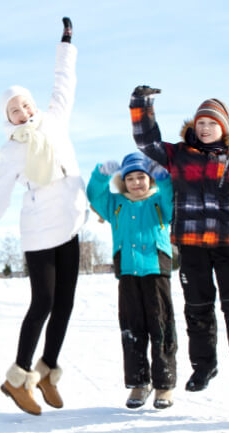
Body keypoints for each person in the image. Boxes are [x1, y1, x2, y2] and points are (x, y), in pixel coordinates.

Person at [0, 17, 87, 416]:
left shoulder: (55, 119)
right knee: (43, 303)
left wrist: (66, 43)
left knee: (65, 303)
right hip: (39, 232)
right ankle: (18, 379)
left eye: (25, 103)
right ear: (7, 118)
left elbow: (65, 82)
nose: (23, 110)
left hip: (71, 222)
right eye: (14, 109)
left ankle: (47, 373)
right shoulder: (11, 150)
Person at [130, 86, 229, 398]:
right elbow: (147, 141)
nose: (205, 128)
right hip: (191, 245)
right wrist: (141, 105)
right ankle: (203, 366)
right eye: (200, 123)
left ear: (223, 128)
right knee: (197, 309)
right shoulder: (178, 155)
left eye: (212, 123)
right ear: (193, 127)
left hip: (228, 246)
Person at [87, 153, 177, 409]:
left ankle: (164, 385)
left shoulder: (160, 200)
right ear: (123, 182)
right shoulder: (115, 204)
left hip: (156, 271)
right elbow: (95, 194)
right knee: (132, 329)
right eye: (130, 178)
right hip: (127, 272)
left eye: (141, 177)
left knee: (161, 328)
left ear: (150, 179)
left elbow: (172, 195)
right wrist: (100, 173)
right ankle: (139, 384)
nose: (136, 183)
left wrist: (164, 177)